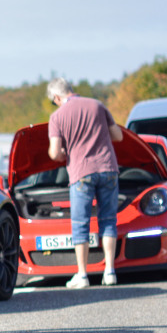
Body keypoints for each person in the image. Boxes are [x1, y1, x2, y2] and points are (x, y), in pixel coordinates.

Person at [46, 77, 123, 288]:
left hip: (81, 172)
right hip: (108, 168)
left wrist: (64, 153)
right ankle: (110, 272)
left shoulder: (57, 117)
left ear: (56, 97)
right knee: (108, 220)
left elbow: (54, 153)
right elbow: (118, 136)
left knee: (81, 223)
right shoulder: (97, 105)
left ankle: (82, 274)